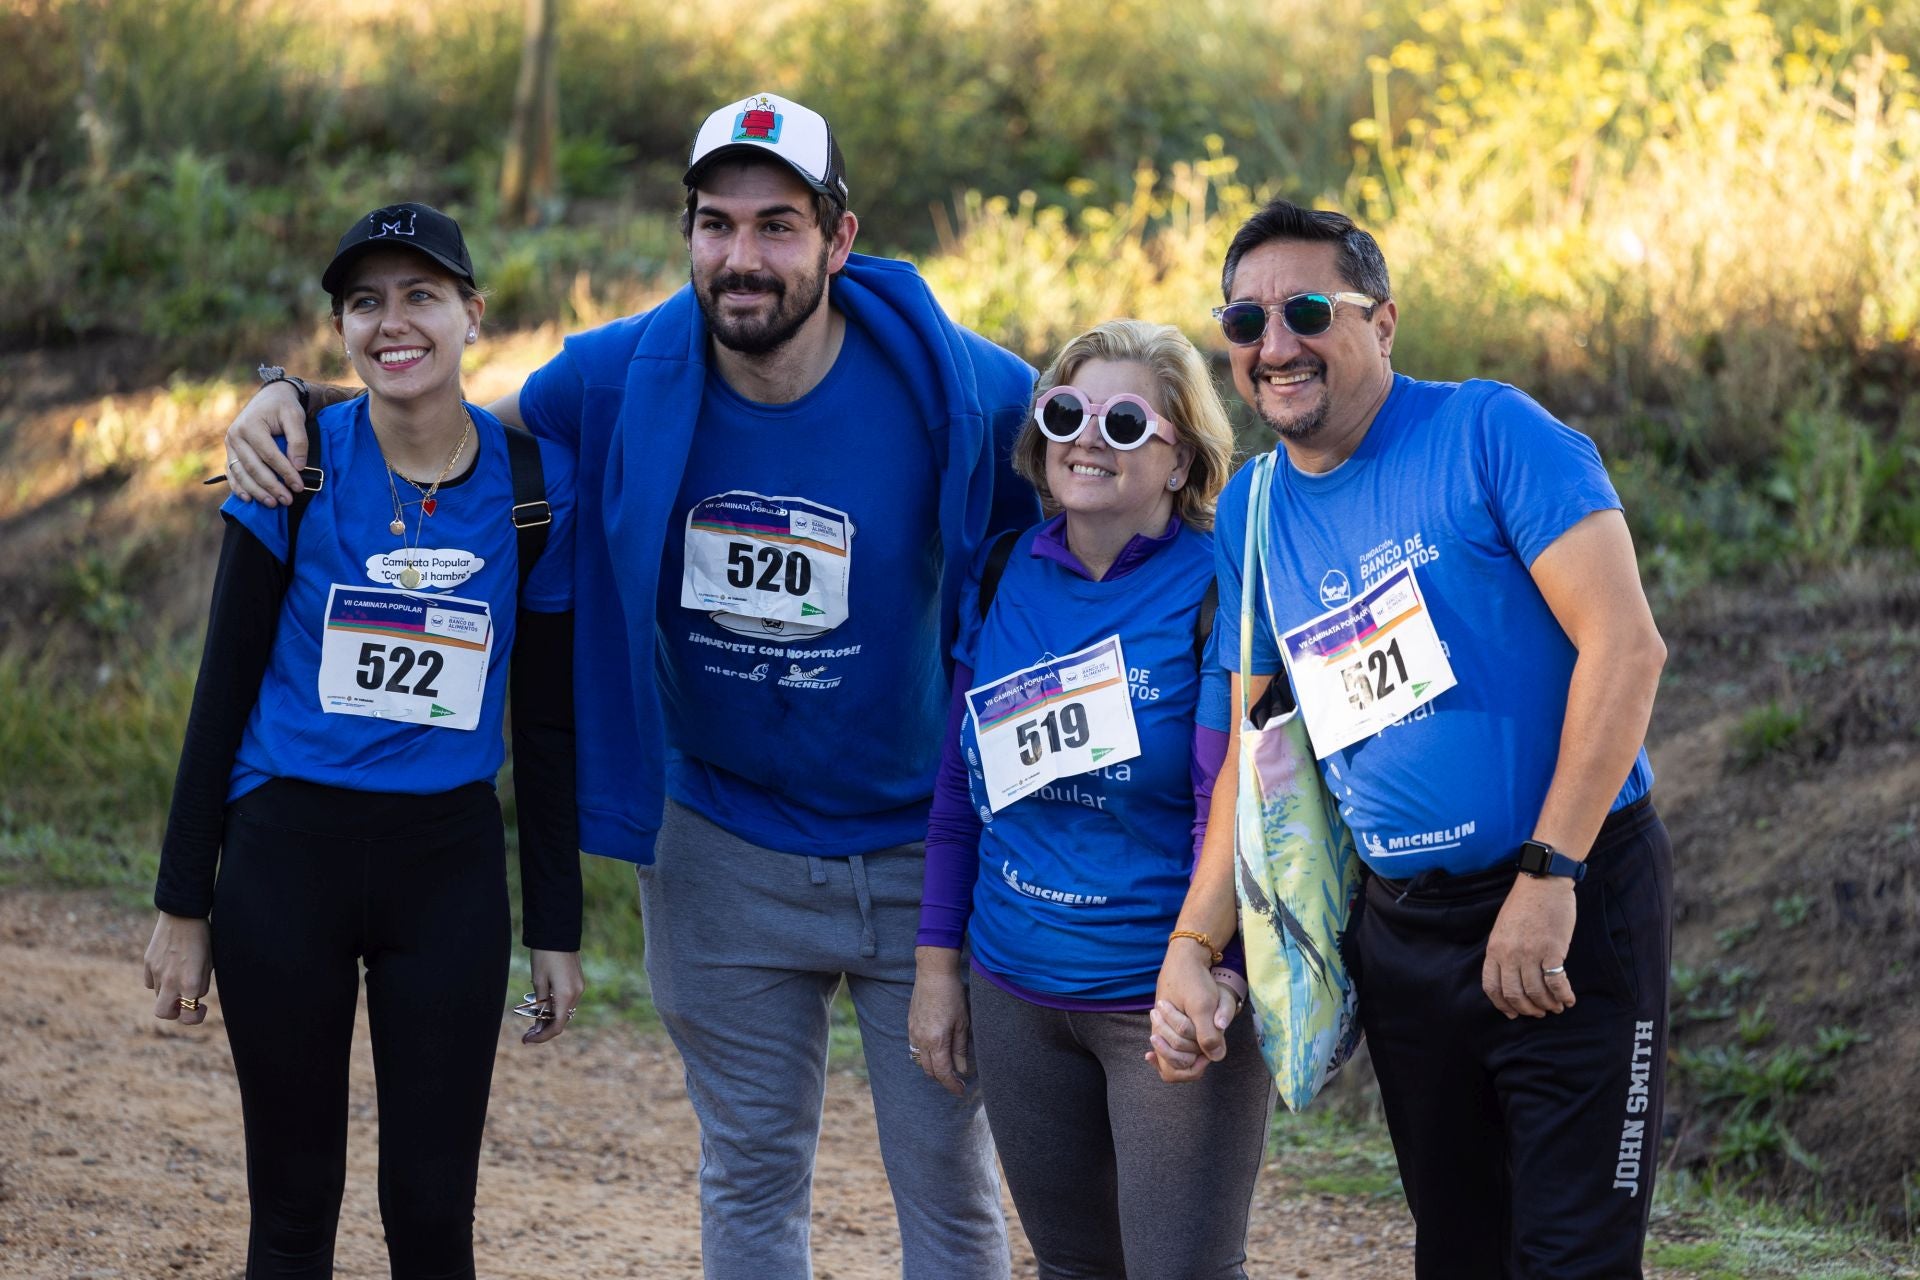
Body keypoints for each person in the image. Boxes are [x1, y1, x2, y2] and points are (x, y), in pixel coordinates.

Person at [216, 94, 1034, 1279]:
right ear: (687, 233)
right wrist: (287, 401)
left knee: (949, 1192)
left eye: (778, 225)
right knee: (750, 1178)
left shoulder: (966, 389)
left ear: (839, 239)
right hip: (722, 846)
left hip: (919, 854)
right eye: (715, 224)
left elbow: (1097, 483)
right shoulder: (611, 381)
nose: (742, 257)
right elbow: (449, 440)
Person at [1151, 199, 1673, 1278]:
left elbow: (1626, 647)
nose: (1276, 344)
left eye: (1306, 309)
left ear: (1382, 322)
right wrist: (1194, 946)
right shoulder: (1250, 512)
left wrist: (1551, 870)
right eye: (1245, 322)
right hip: (1404, 935)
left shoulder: (1491, 432)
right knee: (1458, 1253)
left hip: (1567, 899)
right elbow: (1257, 761)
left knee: (1574, 1256)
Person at [142, 202, 584, 1279]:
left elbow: (547, 720)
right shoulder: (290, 464)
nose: (395, 322)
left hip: (448, 870)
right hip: (284, 858)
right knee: (293, 1214)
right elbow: (221, 691)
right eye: (365, 302)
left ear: (472, 311)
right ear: (340, 325)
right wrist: (180, 902)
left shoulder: (535, 490)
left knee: (433, 1219)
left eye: (421, 295)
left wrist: (556, 924)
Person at [908, 319, 1270, 1278]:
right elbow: (959, 794)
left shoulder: (1216, 590)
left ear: (1181, 453)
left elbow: (1230, 811)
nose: (1086, 439)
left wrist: (1219, 970)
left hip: (1161, 999)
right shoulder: (1000, 571)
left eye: (1123, 422)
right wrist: (939, 966)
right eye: (1066, 412)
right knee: (1073, 1270)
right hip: (1014, 990)